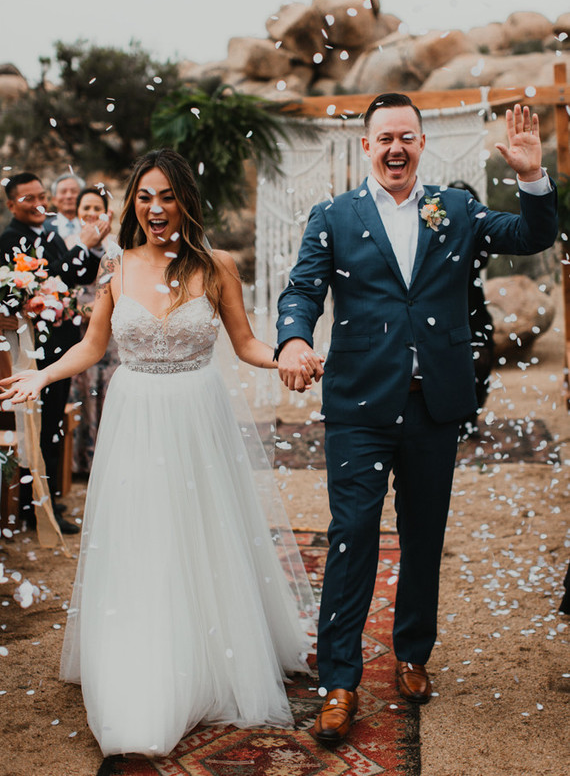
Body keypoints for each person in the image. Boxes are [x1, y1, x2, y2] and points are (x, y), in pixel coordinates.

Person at [0, 149, 316, 759]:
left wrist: (288, 357)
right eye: (144, 196)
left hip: (199, 413)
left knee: (204, 534)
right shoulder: (116, 270)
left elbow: (247, 344)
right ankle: (147, 660)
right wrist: (39, 377)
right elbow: (92, 348)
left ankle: (213, 652)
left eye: (167, 195)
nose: (155, 208)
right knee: (144, 538)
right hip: (136, 416)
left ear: (185, 202)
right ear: (133, 205)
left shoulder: (218, 266)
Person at [276, 94, 558, 745]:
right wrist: (293, 338)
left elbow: (531, 235)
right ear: (367, 146)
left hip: (435, 402)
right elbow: (302, 290)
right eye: (384, 138)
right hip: (358, 405)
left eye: (407, 135)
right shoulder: (333, 215)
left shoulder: (453, 208)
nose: (396, 147)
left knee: (423, 532)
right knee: (352, 534)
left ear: (421, 144)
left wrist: (530, 177)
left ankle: (412, 653)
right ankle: (340, 680)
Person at [0, 172, 110, 533]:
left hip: (62, 344)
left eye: (40, 196)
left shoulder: (47, 234)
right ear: (11, 204)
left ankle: (46, 497)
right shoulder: (9, 241)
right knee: (40, 426)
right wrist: (82, 244)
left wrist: (92, 249)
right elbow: (49, 282)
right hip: (35, 352)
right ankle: (36, 510)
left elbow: (78, 277)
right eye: (28, 198)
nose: (38, 204)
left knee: (52, 426)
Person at [67, 186, 120, 474]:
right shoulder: (67, 244)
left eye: (96, 208)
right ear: (77, 212)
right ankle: (77, 462)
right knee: (82, 387)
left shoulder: (114, 249)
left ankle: (104, 459)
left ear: (106, 213)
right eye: (85, 208)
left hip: (108, 332)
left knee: (107, 388)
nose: (90, 213)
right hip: (78, 332)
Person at [448, 180, 495, 436]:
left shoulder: (479, 231)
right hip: (443, 303)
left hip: (473, 299)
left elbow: (484, 261)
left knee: (482, 358)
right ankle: (451, 419)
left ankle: (471, 417)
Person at [44, 172, 85, 240]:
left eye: (74, 191)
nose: (69, 196)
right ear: (54, 199)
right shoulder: (44, 227)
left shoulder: (90, 225)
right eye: (63, 192)